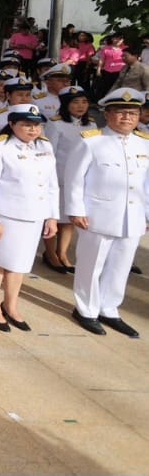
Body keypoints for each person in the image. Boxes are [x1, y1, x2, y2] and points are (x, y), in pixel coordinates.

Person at [65, 88, 149, 338]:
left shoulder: (144, 143)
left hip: (132, 217)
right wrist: (75, 210)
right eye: (120, 112)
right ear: (108, 114)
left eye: (132, 113)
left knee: (120, 266)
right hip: (97, 215)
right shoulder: (91, 140)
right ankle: (86, 310)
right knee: (92, 265)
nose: (127, 118)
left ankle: (109, 308)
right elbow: (74, 179)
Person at [0, 104, 59, 332]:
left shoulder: (44, 146)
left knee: (20, 263)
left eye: (36, 125)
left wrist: (52, 216)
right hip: (6, 215)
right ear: (12, 124)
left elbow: (52, 184)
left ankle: (11, 305)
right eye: (26, 125)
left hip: (34, 215)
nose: (33, 130)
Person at [42, 86, 92, 273]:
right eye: (75, 102)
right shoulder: (56, 123)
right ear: (65, 105)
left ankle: (62, 253)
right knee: (54, 216)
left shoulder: (91, 125)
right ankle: (50, 253)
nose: (80, 106)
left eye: (84, 102)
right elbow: (49, 152)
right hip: (59, 177)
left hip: (79, 181)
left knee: (70, 217)